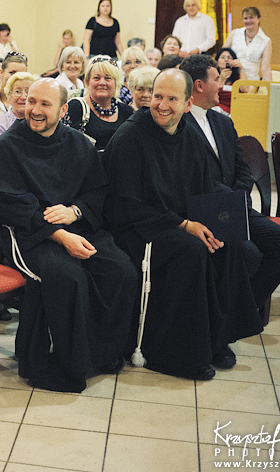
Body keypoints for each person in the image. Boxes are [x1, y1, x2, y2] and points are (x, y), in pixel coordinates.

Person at [103, 69, 263, 380]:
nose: (161, 105)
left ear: (187, 104)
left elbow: (204, 187)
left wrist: (209, 222)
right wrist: (183, 225)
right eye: (157, 96)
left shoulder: (189, 136)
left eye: (171, 99)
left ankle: (217, 339)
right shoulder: (130, 137)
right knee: (192, 251)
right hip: (136, 229)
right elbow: (124, 205)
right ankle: (177, 355)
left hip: (180, 221)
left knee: (227, 244)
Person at [0, 78, 137, 392]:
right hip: (29, 234)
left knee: (121, 271)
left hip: (76, 224)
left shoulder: (78, 143)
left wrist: (75, 211)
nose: (35, 110)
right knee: (69, 277)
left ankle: (102, 355)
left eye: (44, 104)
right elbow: (9, 202)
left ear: (63, 109)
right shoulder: (8, 146)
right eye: (31, 102)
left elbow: (96, 190)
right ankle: (65, 365)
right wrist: (58, 234)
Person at [179, 53, 280, 308]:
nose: (222, 85)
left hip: (236, 205)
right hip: (203, 209)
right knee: (248, 253)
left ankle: (241, 310)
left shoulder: (222, 122)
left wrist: (239, 196)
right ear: (200, 85)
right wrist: (230, 200)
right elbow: (189, 177)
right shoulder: (179, 124)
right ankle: (227, 318)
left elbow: (242, 168)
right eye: (217, 79)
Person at [62, 58, 131, 150]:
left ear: (116, 83)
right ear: (88, 82)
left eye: (107, 78)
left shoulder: (126, 111)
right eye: (96, 78)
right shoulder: (76, 107)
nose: (102, 83)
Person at [0, 71, 35, 151]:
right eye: (17, 91)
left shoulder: (39, 123)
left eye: (28, 91)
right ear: (9, 96)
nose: (23, 97)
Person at [223, 6, 272, 82]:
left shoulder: (266, 41)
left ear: (259, 19)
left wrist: (269, 89)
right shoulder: (234, 33)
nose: (248, 21)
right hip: (231, 79)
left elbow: (265, 69)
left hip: (251, 82)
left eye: (251, 17)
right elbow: (222, 56)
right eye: (245, 18)